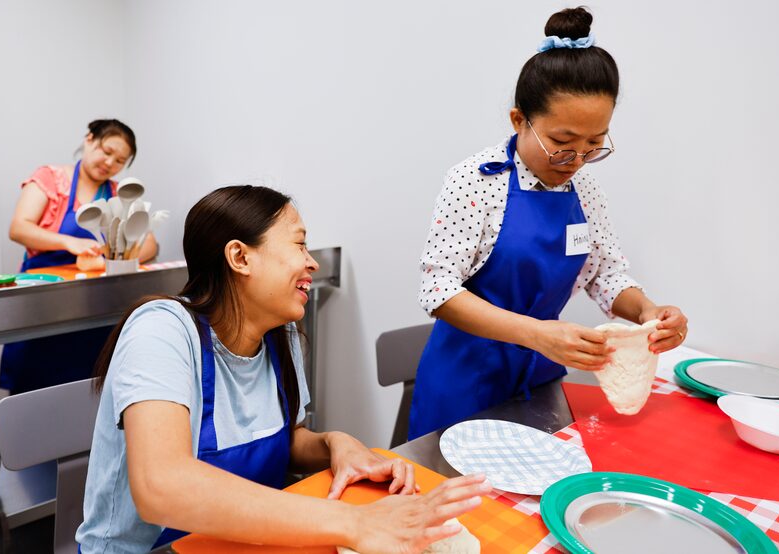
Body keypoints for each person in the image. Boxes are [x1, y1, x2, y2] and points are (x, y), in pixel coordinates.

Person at [76, 185, 491, 553]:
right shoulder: (162, 331)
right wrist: (358, 523)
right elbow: (161, 487)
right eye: (299, 245)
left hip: (245, 540)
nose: (311, 263)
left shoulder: (281, 333)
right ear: (240, 257)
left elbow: (283, 438)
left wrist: (333, 443)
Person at [408, 7, 689, 440]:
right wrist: (537, 334)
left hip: (539, 381)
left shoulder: (586, 189)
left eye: (593, 144)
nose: (575, 160)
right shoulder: (475, 181)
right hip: (465, 381)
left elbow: (606, 275)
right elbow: (438, 290)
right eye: (561, 142)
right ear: (520, 120)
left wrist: (647, 312)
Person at [0, 119, 158, 394]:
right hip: (43, 298)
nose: (110, 163)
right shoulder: (50, 179)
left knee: (86, 386)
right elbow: (19, 228)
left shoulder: (118, 193)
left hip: (94, 303)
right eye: (106, 151)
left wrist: (112, 259)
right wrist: (68, 241)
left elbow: (150, 243)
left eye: (120, 160)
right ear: (89, 139)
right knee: (36, 388)